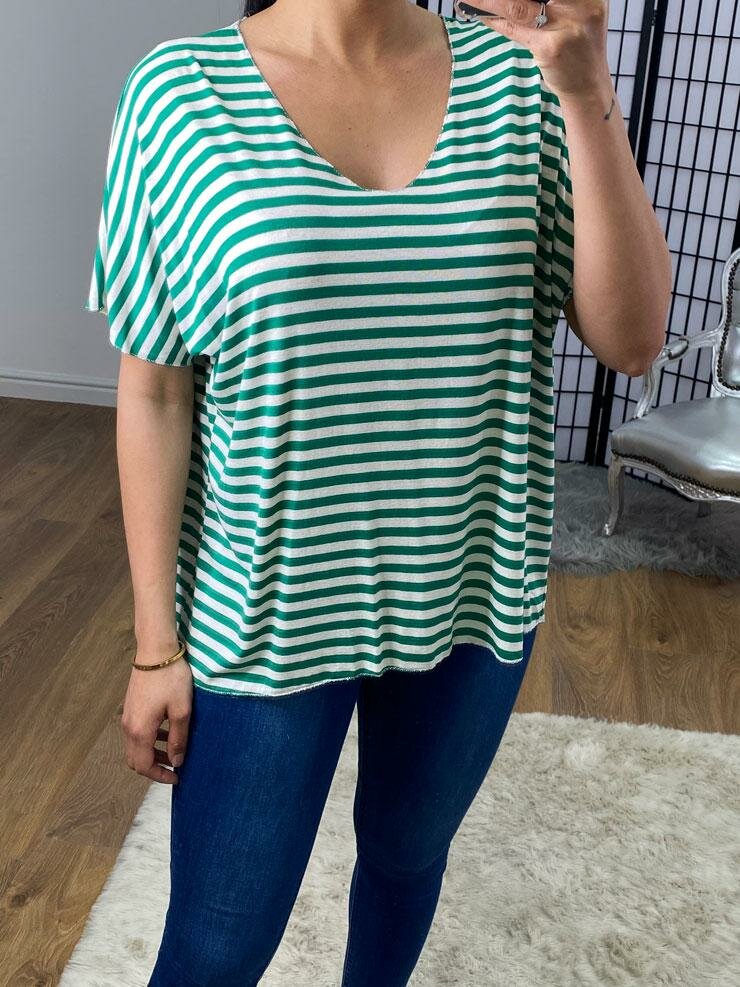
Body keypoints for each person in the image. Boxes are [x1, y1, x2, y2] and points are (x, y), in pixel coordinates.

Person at [84, 0, 671, 983]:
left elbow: (634, 339)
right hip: (264, 615)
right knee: (218, 941)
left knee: (404, 863)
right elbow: (154, 390)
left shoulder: (526, 82)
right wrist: (155, 647)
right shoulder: (178, 97)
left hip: (470, 597)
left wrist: (582, 89)